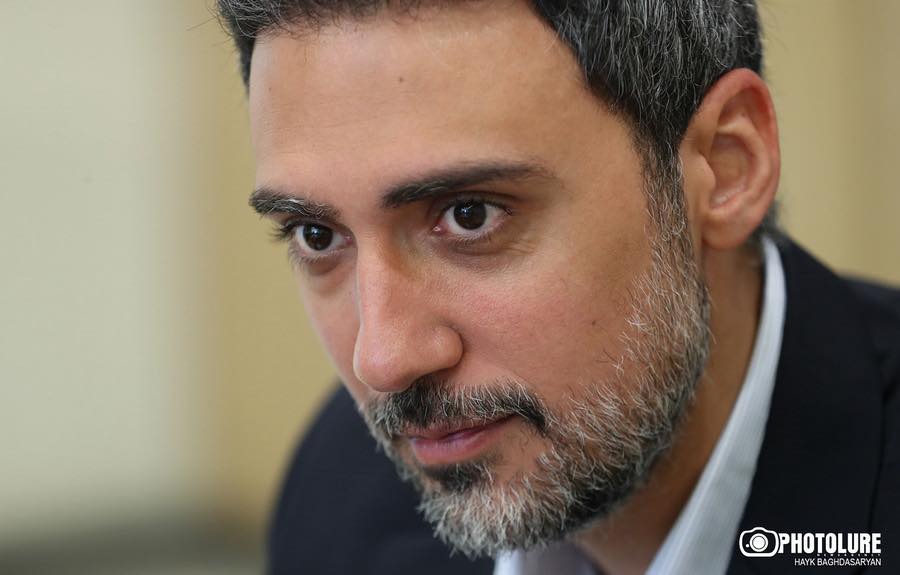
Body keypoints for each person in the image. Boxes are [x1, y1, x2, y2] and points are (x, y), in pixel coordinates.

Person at [216, 1, 899, 573]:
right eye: (316, 235)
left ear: (726, 168)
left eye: (470, 215)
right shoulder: (341, 497)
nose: (384, 361)